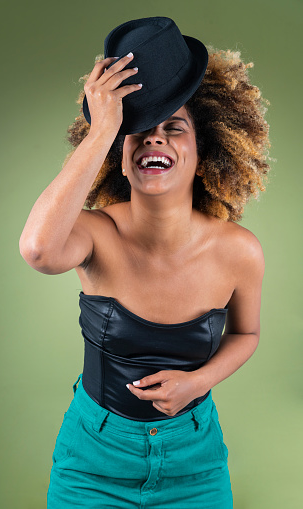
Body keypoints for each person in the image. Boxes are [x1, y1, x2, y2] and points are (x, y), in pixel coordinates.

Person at [19, 16, 270, 509]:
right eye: (138, 133)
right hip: (93, 461)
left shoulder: (239, 251)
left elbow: (246, 335)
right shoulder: (95, 234)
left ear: (204, 152)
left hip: (194, 465)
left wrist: (198, 382)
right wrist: (102, 129)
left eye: (173, 129)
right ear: (119, 153)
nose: (155, 139)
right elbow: (38, 250)